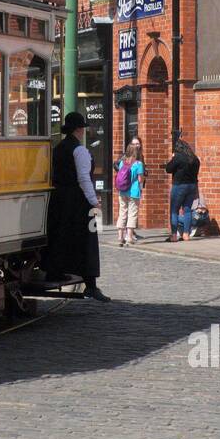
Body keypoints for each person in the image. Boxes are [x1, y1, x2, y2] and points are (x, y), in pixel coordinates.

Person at [44, 112, 109, 302]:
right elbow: (83, 178)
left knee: (59, 236)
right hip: (78, 202)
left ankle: (54, 272)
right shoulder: (79, 151)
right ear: (79, 130)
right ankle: (91, 285)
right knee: (87, 242)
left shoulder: (58, 149)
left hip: (59, 199)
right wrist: (94, 201)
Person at [164, 138, 202, 241]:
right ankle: (186, 234)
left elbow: (168, 169)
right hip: (192, 186)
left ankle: (174, 236)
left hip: (179, 185)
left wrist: (172, 158)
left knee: (174, 210)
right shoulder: (194, 158)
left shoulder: (178, 157)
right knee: (187, 209)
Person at [113, 139, 146, 247]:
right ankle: (129, 237)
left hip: (122, 192)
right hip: (134, 192)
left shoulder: (122, 162)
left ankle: (120, 237)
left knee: (122, 213)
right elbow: (140, 179)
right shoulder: (138, 164)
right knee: (132, 214)